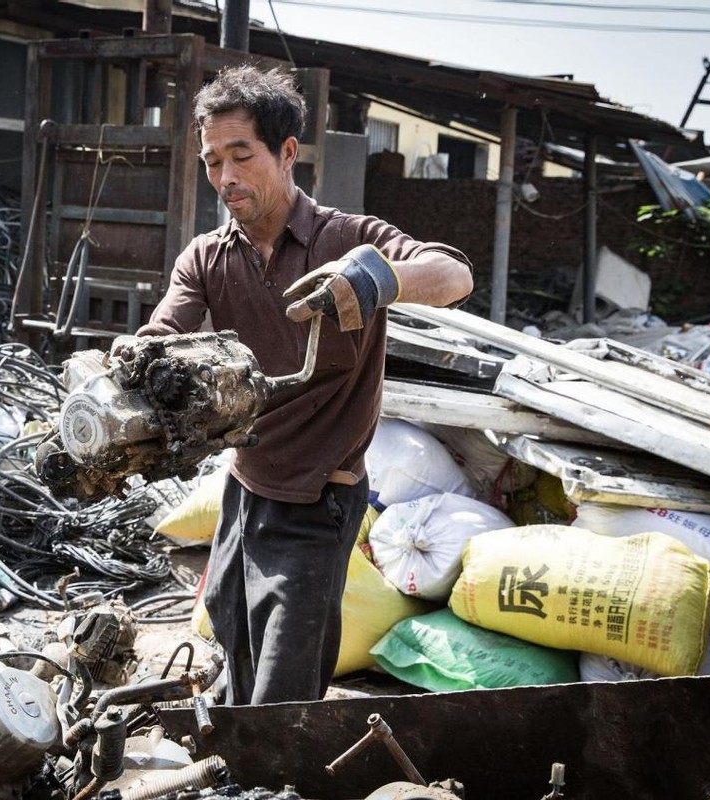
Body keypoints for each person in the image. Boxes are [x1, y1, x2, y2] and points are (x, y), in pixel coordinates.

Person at [136, 64, 473, 705]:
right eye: (212, 162)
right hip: (243, 483)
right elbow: (162, 335)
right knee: (230, 632)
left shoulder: (346, 239)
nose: (226, 178)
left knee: (284, 684)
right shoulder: (207, 258)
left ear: (288, 152)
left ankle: (275, 775)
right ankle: (237, 766)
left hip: (322, 496)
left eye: (242, 156)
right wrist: (125, 371)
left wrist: (377, 281)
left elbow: (453, 274)